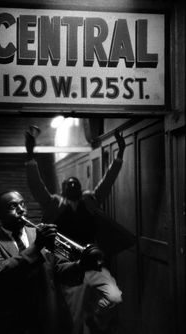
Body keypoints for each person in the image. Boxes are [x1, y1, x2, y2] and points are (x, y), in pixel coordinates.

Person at [24, 126, 135, 334]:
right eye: (69, 184)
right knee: (73, 311)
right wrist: (30, 154)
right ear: (63, 187)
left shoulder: (89, 200)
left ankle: (94, 321)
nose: (73, 186)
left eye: (76, 183)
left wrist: (120, 153)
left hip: (92, 259)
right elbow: (36, 185)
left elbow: (108, 181)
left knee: (113, 296)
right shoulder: (54, 204)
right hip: (67, 262)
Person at [0, 190, 100, 334]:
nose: (21, 210)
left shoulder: (38, 234)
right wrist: (36, 246)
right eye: (13, 206)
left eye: (22, 204)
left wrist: (81, 265)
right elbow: (0, 273)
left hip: (49, 320)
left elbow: (59, 270)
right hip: (13, 323)